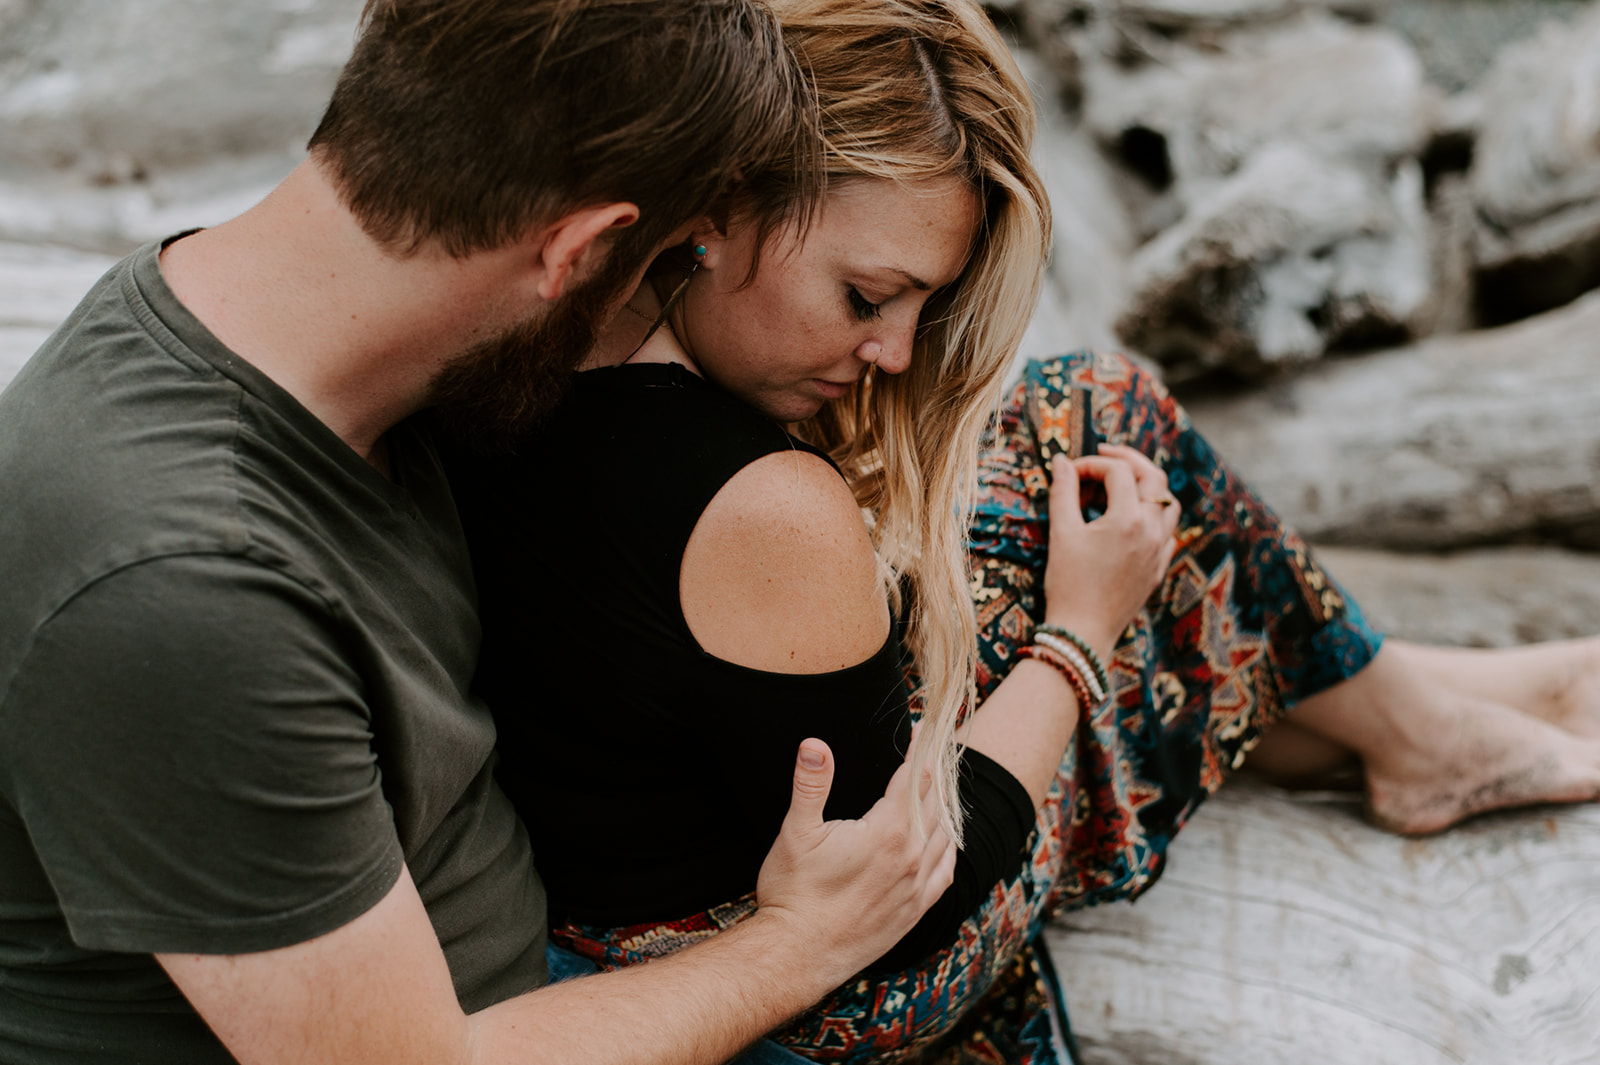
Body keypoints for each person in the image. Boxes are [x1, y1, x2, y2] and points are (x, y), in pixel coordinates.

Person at [454, 0, 1600, 1060]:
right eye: (867, 296)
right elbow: (911, 890)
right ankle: (1435, 727)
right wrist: (1078, 633)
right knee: (1106, 445)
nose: (895, 356)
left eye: (921, 308)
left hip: (657, 847)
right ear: (720, 206)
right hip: (816, 989)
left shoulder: (522, 327)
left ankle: (1448, 706)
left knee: (1076, 435)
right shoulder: (754, 506)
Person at [0, 2, 961, 1063]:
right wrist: (796, 943)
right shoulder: (181, 591)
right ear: (584, 249)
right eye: (663, 267)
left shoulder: (285, 317)